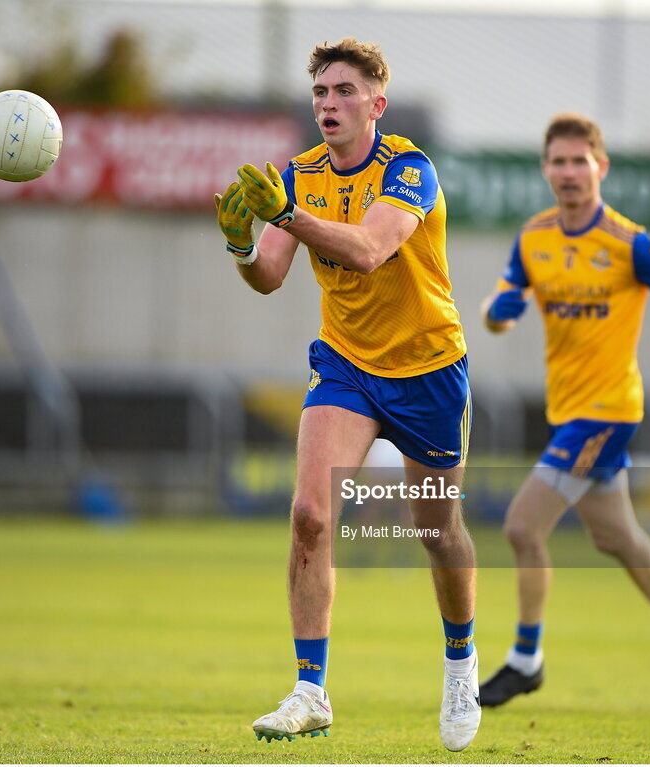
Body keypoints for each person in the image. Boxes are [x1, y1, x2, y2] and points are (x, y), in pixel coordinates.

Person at [214, 38, 481, 751]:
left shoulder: (409, 168)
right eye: (320, 94)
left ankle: (460, 661)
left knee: (435, 530)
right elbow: (270, 277)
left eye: (343, 92)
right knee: (308, 513)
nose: (328, 104)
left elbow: (368, 248)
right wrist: (244, 242)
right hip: (346, 366)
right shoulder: (297, 175)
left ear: (376, 104)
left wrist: (285, 216)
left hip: (428, 368)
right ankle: (311, 689)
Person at [477, 113, 650, 712]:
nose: (568, 172)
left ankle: (525, 660)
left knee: (520, 526)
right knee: (618, 537)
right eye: (557, 162)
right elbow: (499, 310)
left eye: (578, 161)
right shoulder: (534, 237)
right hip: (568, 410)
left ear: (601, 167)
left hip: (609, 412)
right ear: (545, 169)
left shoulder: (627, 242)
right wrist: (497, 310)